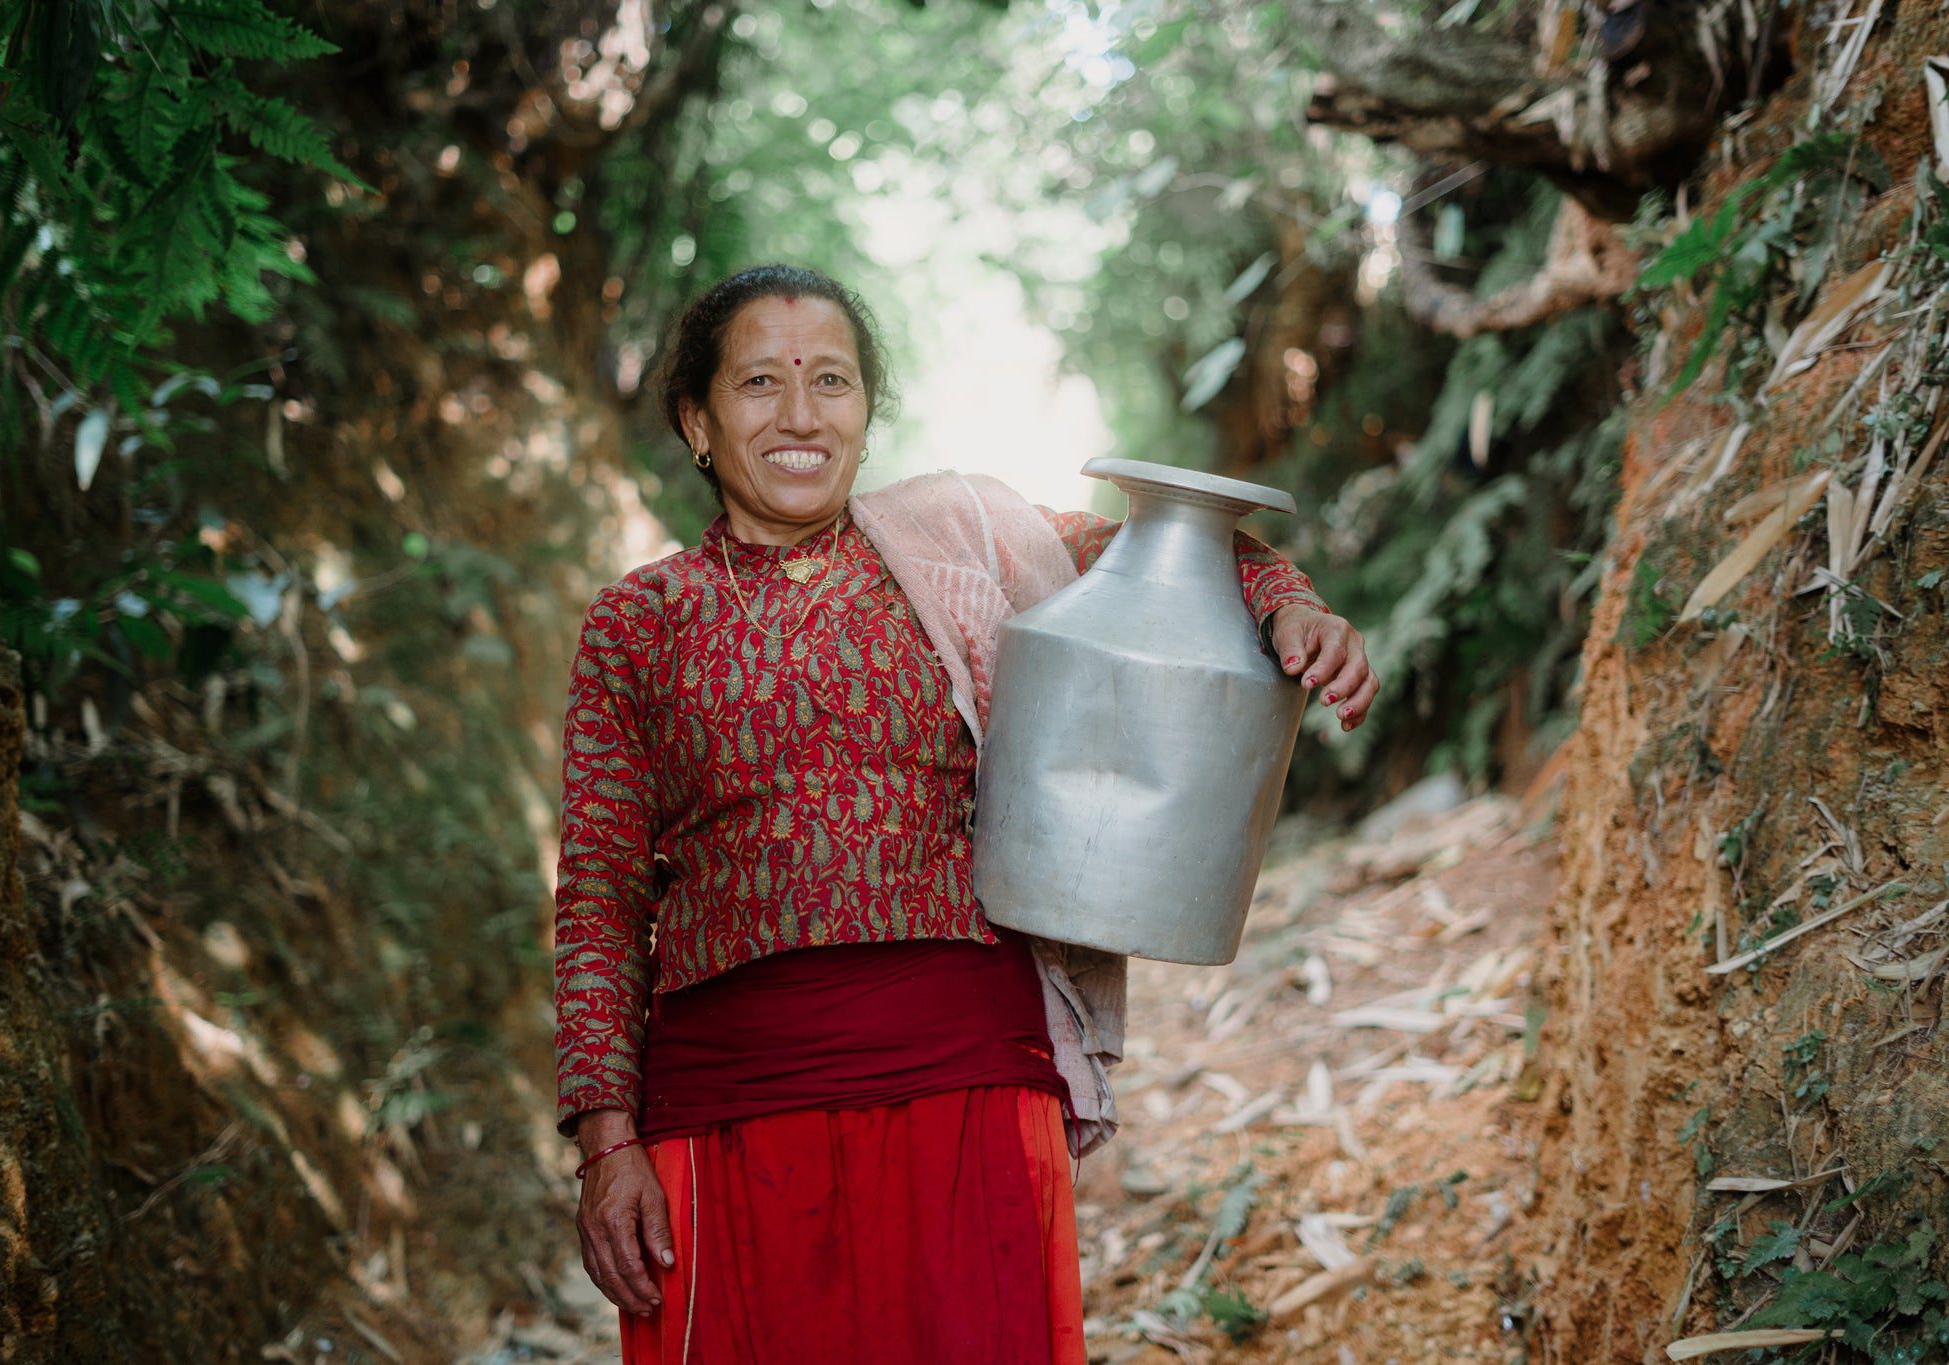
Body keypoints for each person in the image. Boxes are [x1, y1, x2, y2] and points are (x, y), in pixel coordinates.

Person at [555, 263, 1377, 1364]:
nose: (800, 415)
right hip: (723, 1101)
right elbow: (601, 894)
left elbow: (1174, 553)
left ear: (864, 413)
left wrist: (1292, 609)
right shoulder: (638, 622)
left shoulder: (954, 548)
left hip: (965, 1078)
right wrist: (606, 1139)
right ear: (698, 420)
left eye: (831, 382)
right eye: (759, 382)